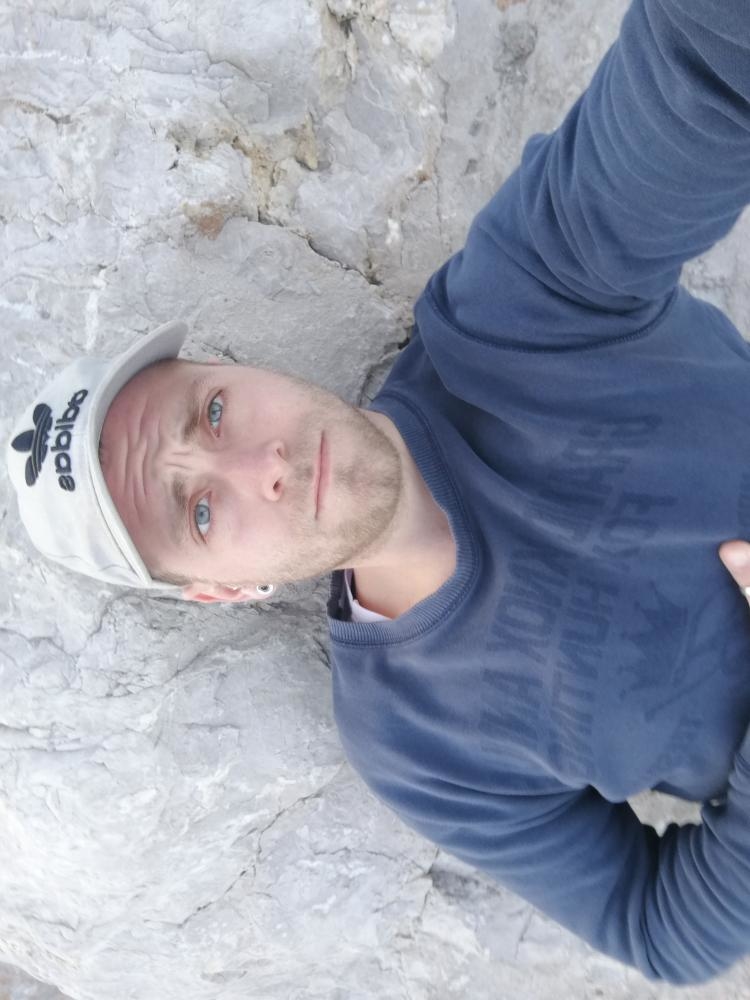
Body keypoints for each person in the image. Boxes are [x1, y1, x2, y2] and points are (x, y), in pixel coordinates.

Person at [7, 0, 750, 985]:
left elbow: (702, 67)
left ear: (236, 364)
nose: (262, 467)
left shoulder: (513, 308)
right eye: (200, 512)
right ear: (224, 591)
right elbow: (660, 929)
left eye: (213, 414)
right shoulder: (413, 738)